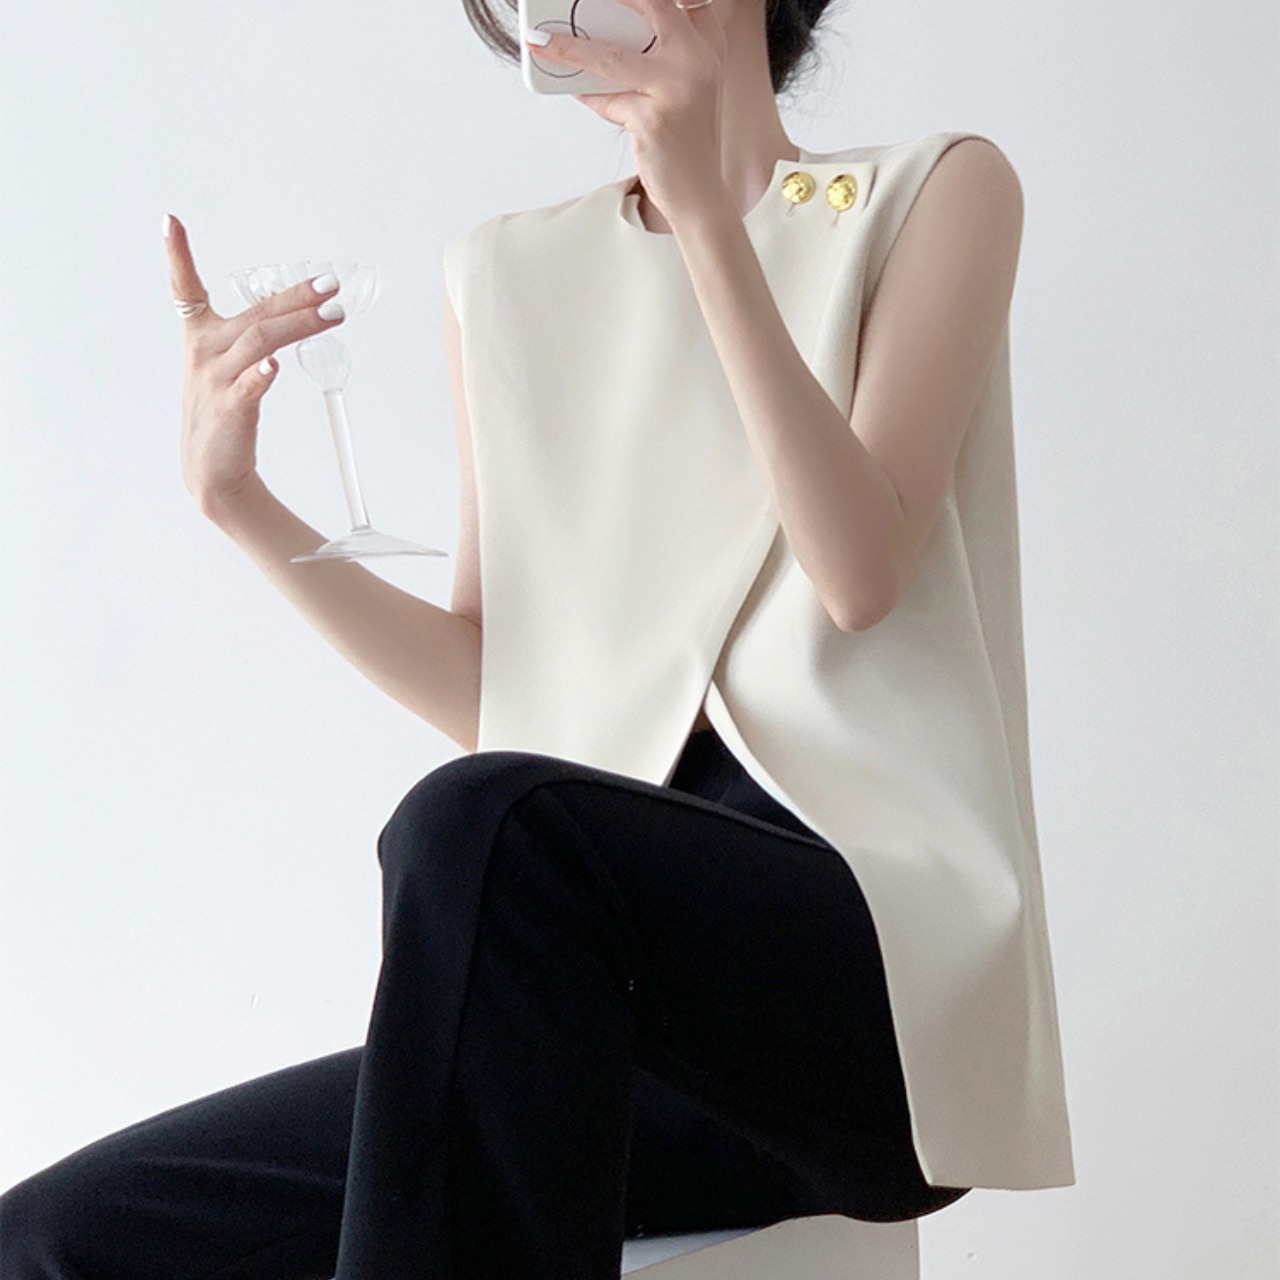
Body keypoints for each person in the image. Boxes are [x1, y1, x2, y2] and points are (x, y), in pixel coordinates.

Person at [0, 0, 1076, 1274]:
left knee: (487, 821)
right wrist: (242, 505)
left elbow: (858, 571)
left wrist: (706, 224)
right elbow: (498, 688)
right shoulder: (506, 273)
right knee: (52, 1240)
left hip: (875, 1002)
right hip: (599, 1009)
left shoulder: (935, 191)